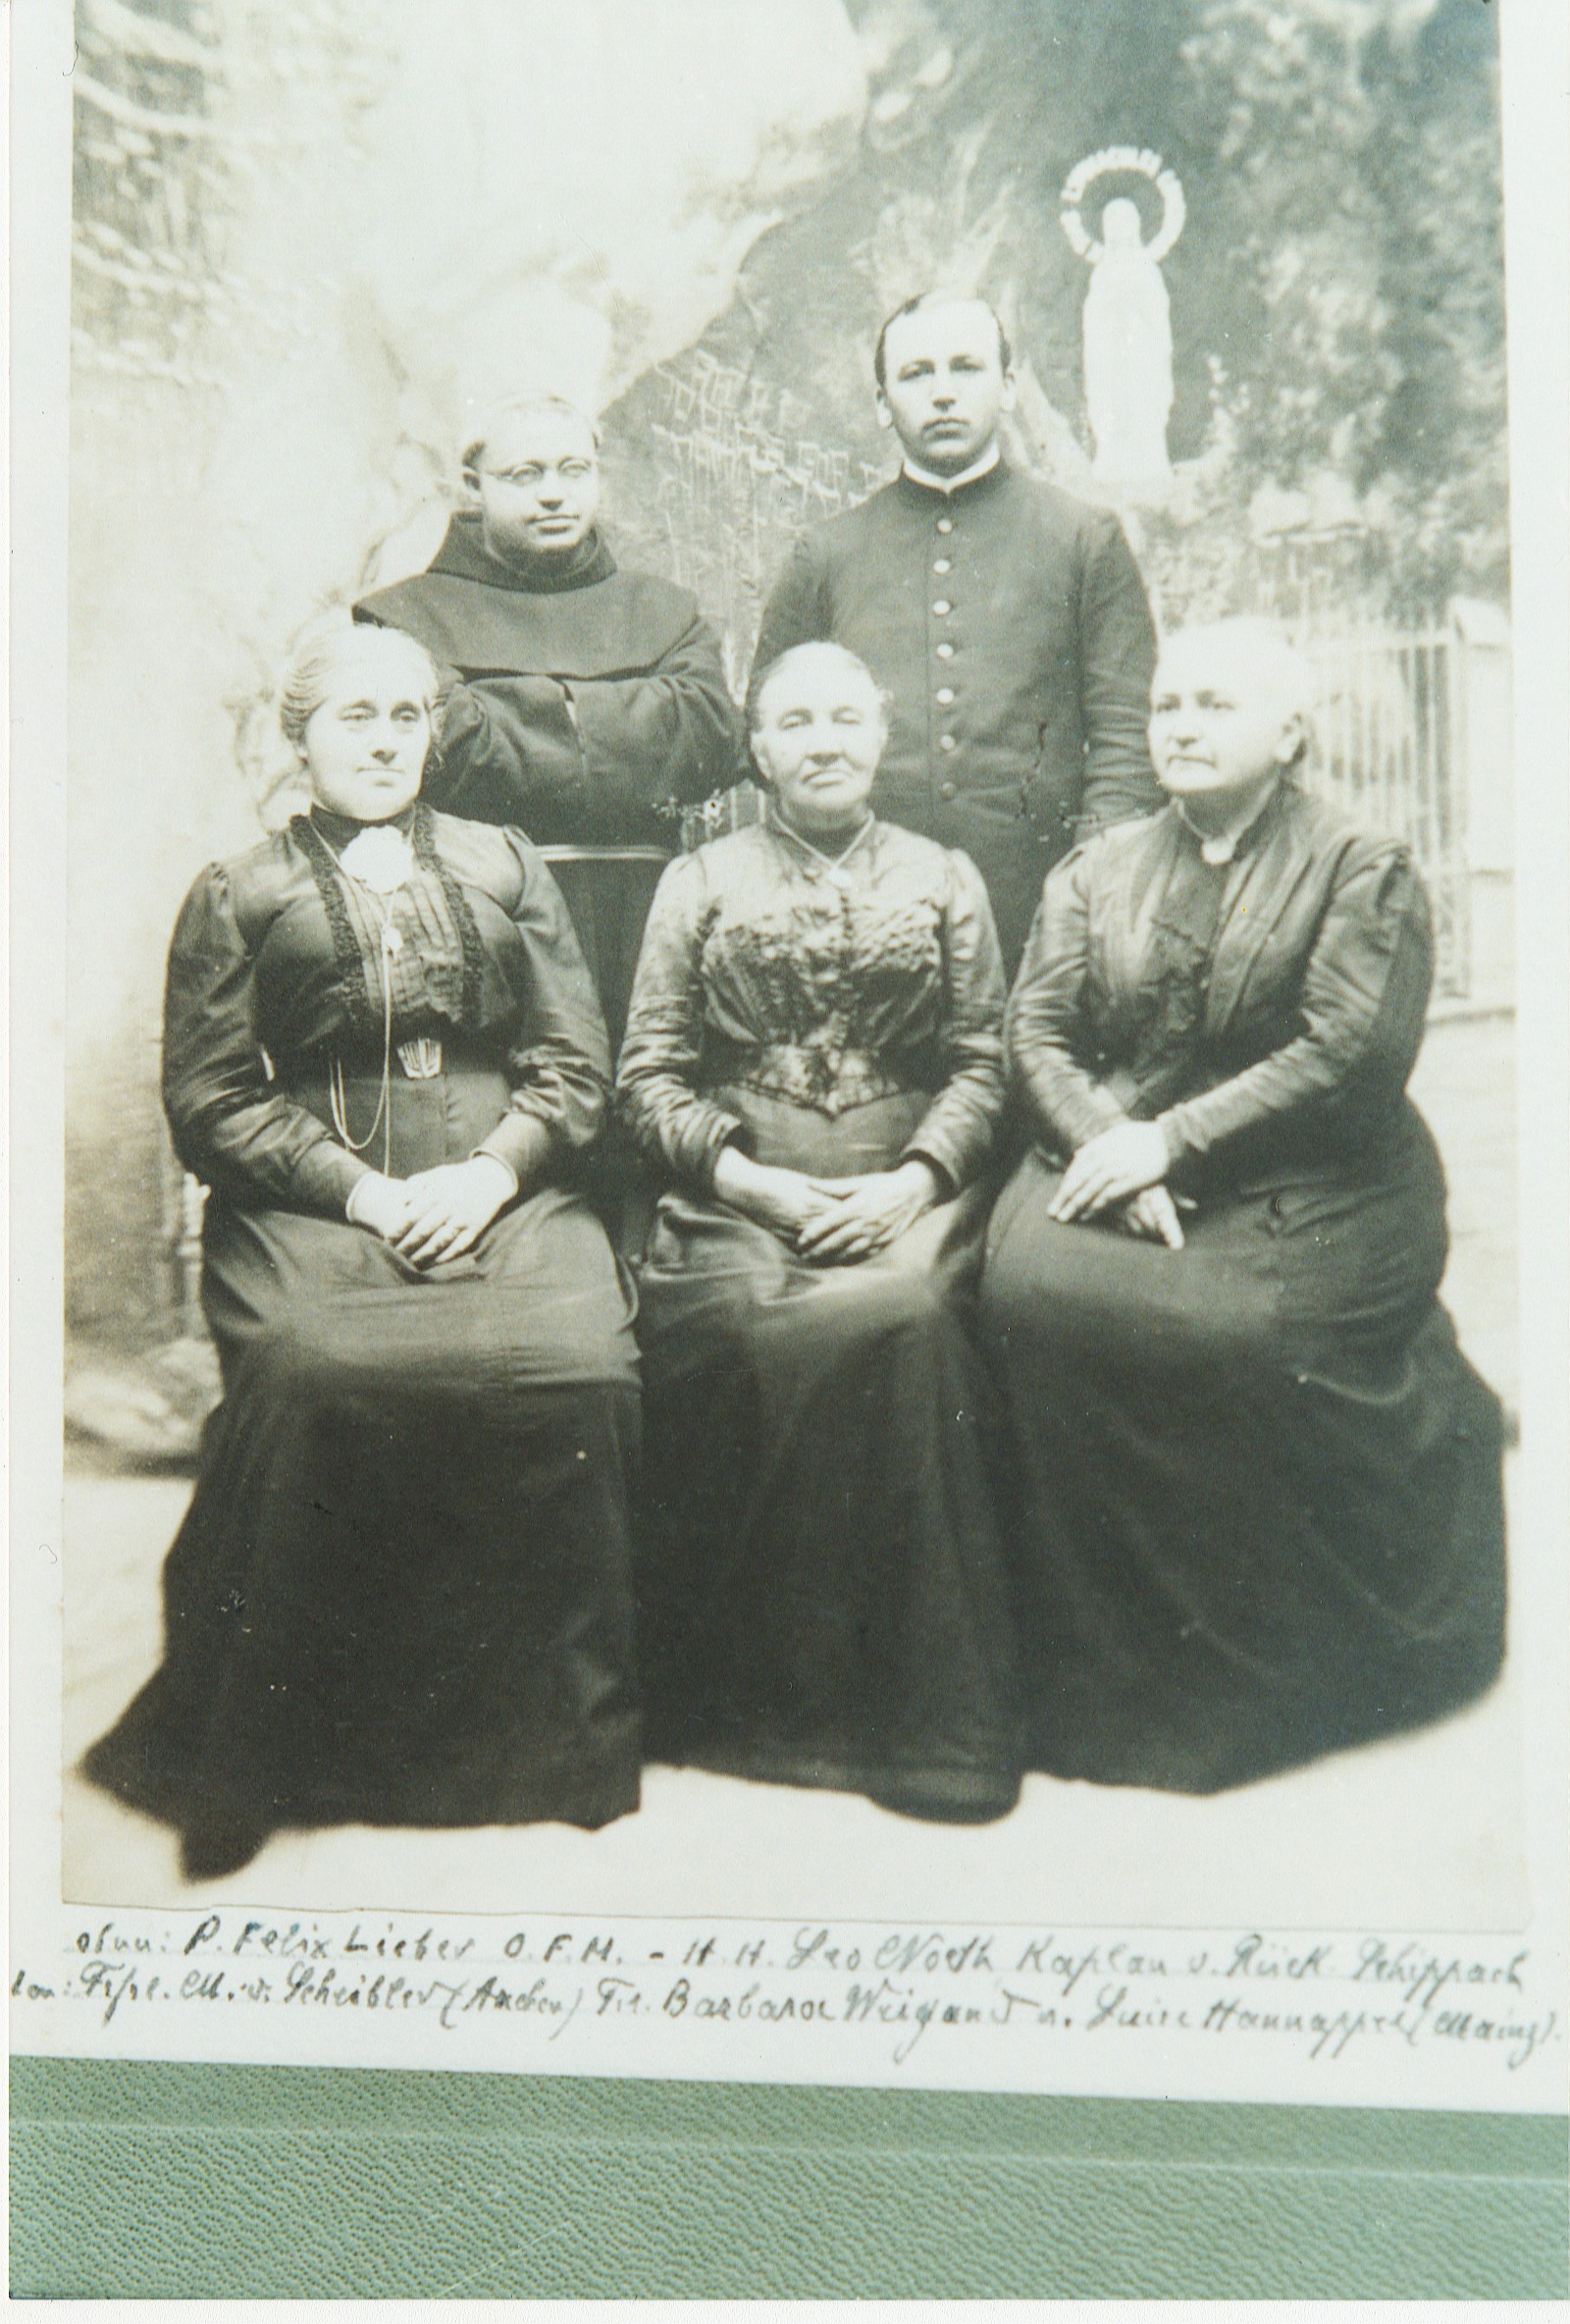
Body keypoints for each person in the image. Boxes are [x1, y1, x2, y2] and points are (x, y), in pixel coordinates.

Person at [82, 622, 643, 1879]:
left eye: (407, 716)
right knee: (313, 1372)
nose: (386, 742)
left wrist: (491, 1171)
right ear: (302, 738)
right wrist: (366, 1195)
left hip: (503, 1178)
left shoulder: (503, 862)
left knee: (581, 1369)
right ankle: (259, 1754)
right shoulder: (240, 889)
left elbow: (574, 1063)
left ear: (432, 732)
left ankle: (554, 1749)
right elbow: (211, 1098)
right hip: (314, 1195)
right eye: (356, 717)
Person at [978, 617, 1507, 1794]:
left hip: (1323, 1176)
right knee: (1021, 1289)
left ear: (1290, 733)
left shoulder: (1359, 866)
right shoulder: (1097, 866)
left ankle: (1254, 1680)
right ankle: (1082, 1662)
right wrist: (1109, 1143)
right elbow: (1035, 1030)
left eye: (1214, 705)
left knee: (1228, 1334)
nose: (1181, 725)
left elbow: (1348, 1055)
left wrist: (1169, 1143)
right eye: (1167, 705)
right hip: (1117, 1148)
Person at [616, 641, 1020, 1822]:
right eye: (794, 723)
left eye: (846, 718)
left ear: (882, 736)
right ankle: (755, 1702)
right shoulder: (699, 878)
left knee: (907, 1314)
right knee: (745, 1322)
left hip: (910, 1191)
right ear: (757, 749)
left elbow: (984, 1060)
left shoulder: (945, 875)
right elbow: (647, 1074)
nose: (824, 743)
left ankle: (925, 1722)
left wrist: (916, 1180)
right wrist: (750, 1182)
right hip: (740, 1193)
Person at [750, 291, 1164, 973]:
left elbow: (1127, 736)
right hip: (863, 916)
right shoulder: (825, 556)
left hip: (1042, 911)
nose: (942, 393)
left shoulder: (1083, 539)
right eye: (916, 374)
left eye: (966, 368)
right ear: (882, 403)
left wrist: (1086, 894)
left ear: (1008, 386)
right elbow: (767, 733)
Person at [354, 394, 744, 1047]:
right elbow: (452, 744)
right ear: (473, 485)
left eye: (574, 470)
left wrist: (515, 709)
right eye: (525, 474)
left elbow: (710, 734)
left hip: (647, 922)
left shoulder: (665, 610)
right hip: (481, 917)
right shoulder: (401, 618)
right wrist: (621, 716)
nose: (554, 494)